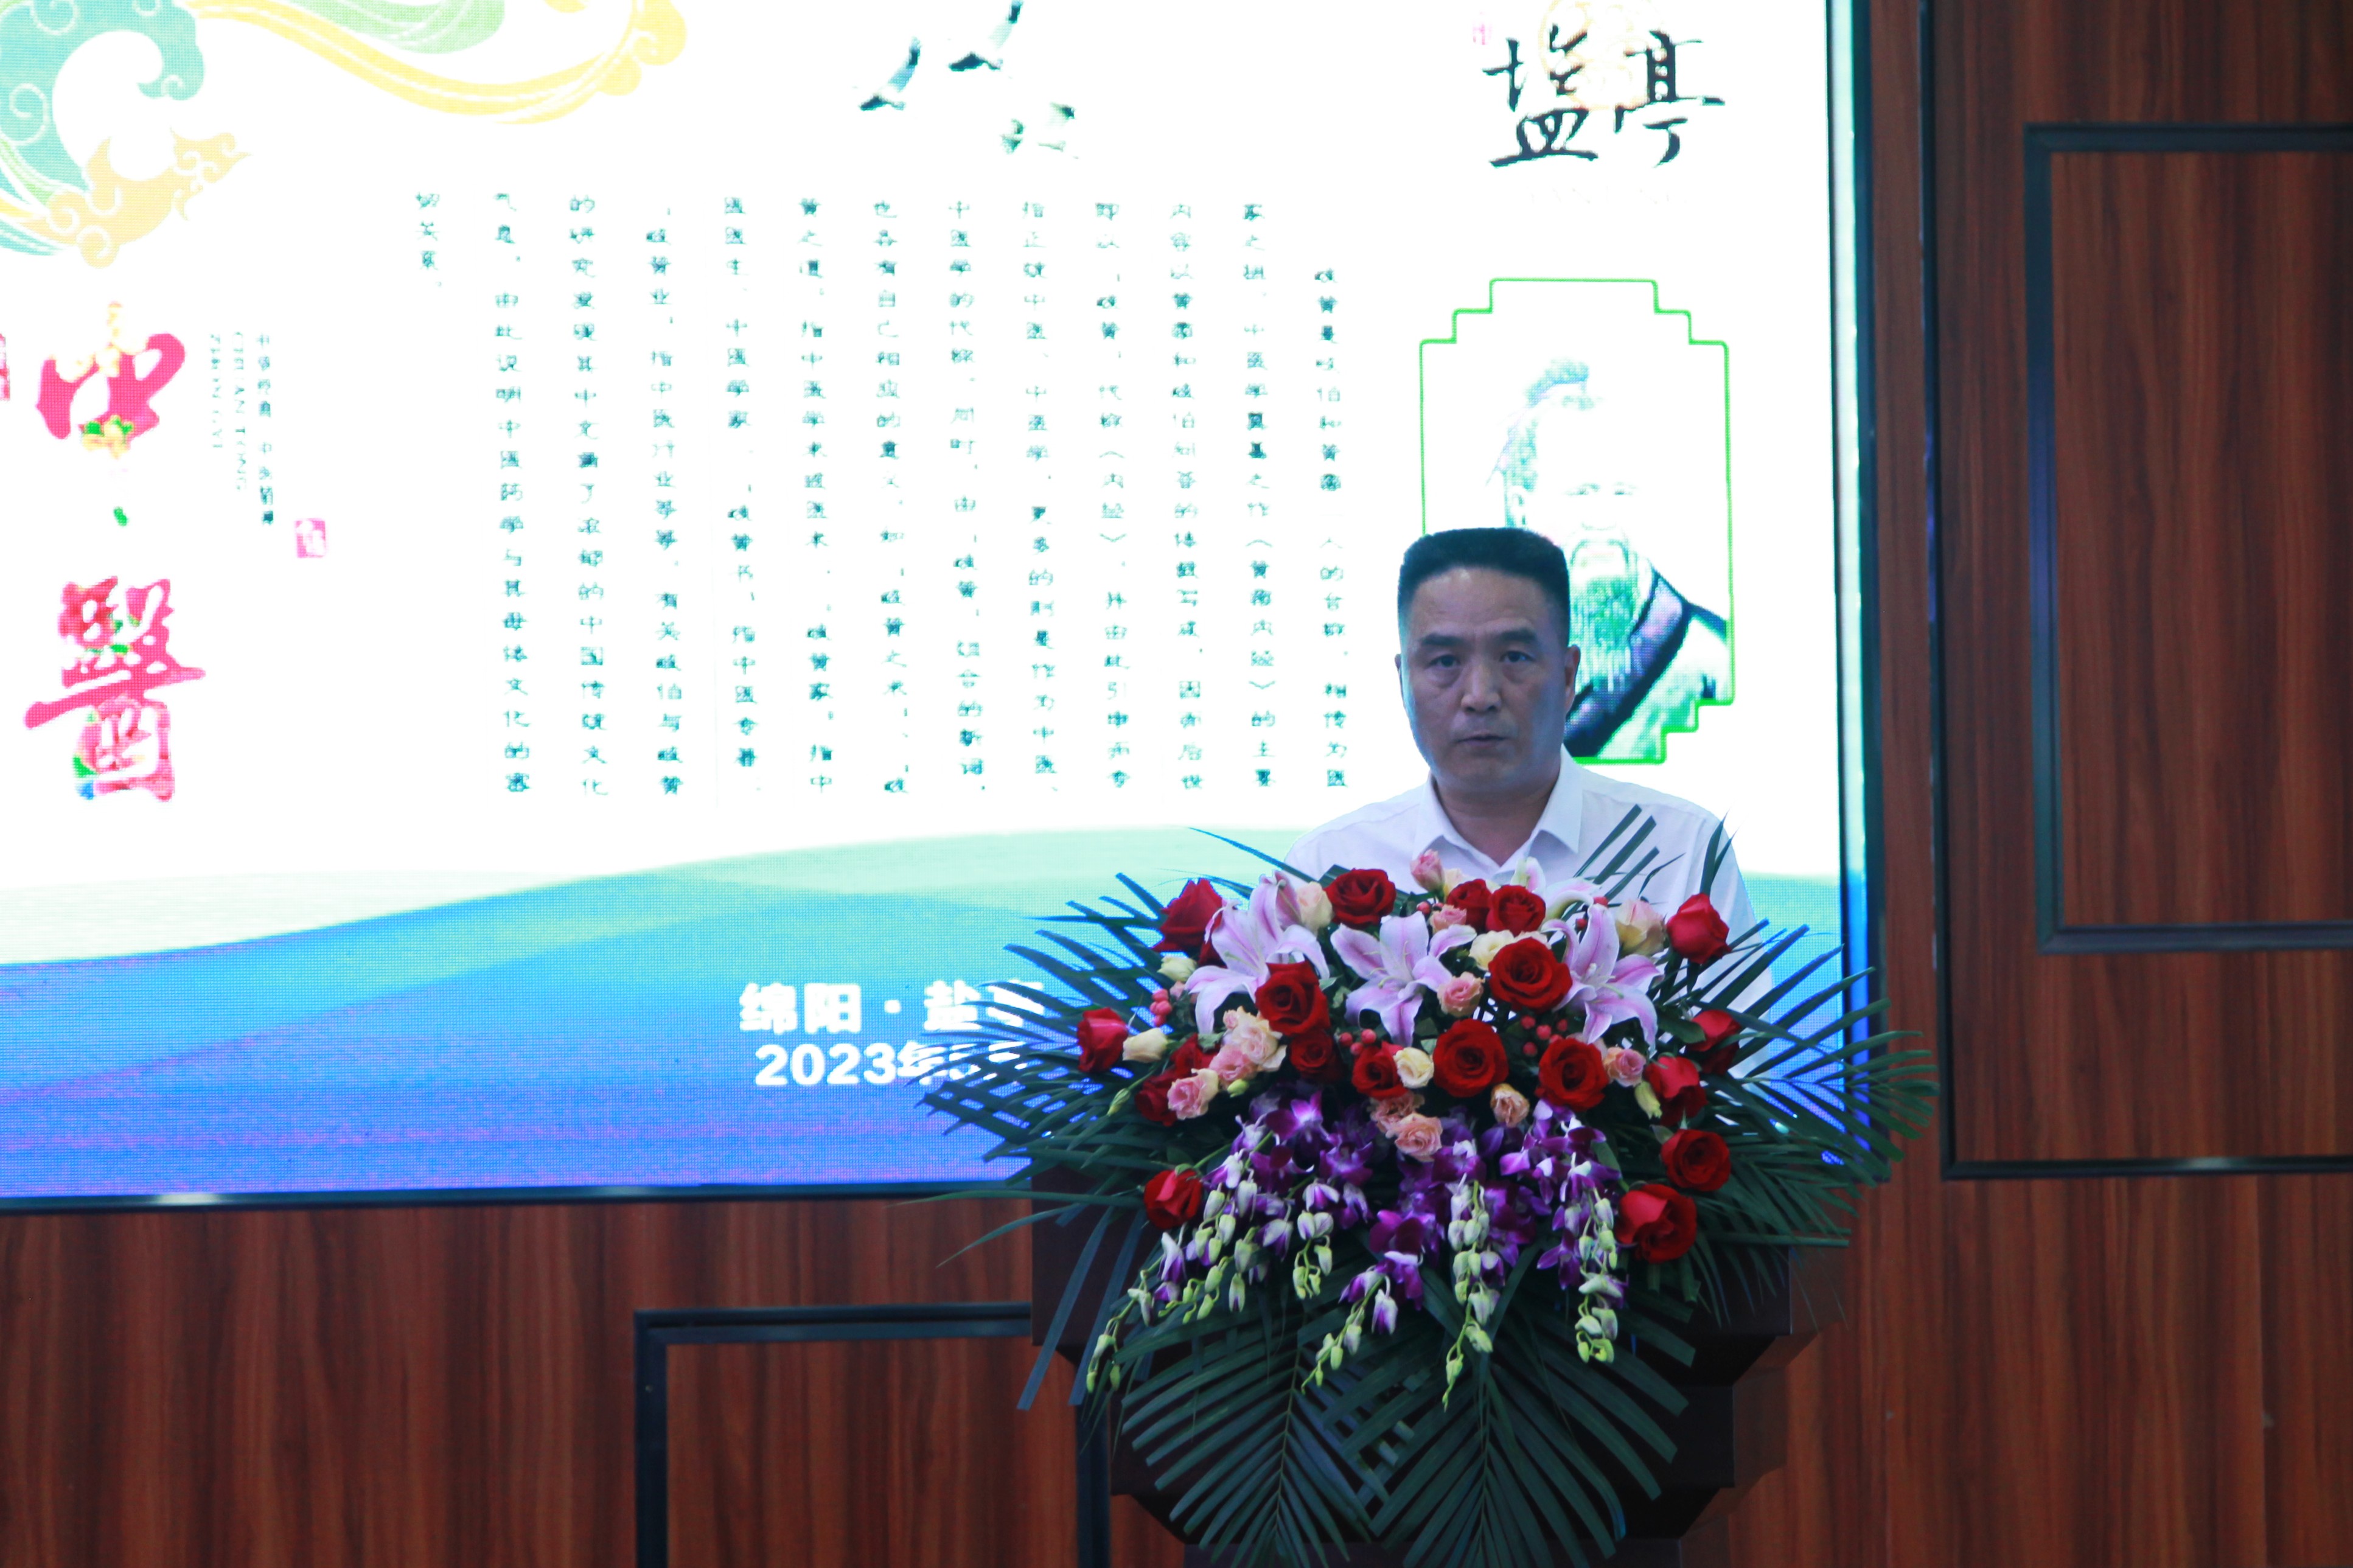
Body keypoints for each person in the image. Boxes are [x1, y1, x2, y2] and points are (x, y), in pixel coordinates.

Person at [1288, 528, 1757, 939]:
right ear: (1403, 681)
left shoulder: (1681, 850)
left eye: (1514, 657)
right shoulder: (1325, 869)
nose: (1480, 696)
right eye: (1445, 661)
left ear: (1568, 676)